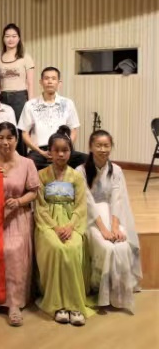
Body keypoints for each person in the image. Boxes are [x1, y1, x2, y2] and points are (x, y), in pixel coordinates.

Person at [0, 122, 39, 327]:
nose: (5, 142)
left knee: (12, 250)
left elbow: (34, 191)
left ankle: (14, 304)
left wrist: (19, 201)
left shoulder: (27, 163)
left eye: (9, 138)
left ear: (16, 139)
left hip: (18, 216)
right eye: (1, 138)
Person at [34, 126, 94, 326]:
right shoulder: (41, 175)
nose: (60, 154)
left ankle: (75, 304)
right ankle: (57, 304)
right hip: (48, 223)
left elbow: (81, 206)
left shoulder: (76, 176)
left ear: (70, 152)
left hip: (71, 222)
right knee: (56, 247)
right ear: (49, 152)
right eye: (56, 150)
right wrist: (55, 227)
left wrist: (70, 226)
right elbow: (40, 207)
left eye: (65, 150)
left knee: (73, 247)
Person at [76, 130, 142, 312]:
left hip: (113, 216)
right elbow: (88, 202)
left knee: (122, 245)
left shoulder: (117, 170)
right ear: (90, 147)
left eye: (106, 145)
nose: (103, 149)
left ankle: (118, 294)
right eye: (98, 145)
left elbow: (117, 200)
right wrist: (104, 230)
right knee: (106, 247)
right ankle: (101, 292)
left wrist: (115, 228)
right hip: (91, 219)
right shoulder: (80, 171)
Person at [19, 67, 87, 170]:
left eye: (53, 78)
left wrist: (65, 149)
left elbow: (73, 130)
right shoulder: (30, 105)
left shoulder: (67, 103)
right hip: (40, 151)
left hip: (63, 149)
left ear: (59, 83)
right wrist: (40, 152)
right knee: (26, 165)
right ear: (41, 82)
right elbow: (24, 133)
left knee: (87, 160)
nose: (50, 81)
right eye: (46, 78)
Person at [0, 24, 34, 155]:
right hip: (2, 97)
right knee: (4, 129)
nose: (10, 39)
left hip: (20, 97)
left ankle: (21, 158)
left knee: (19, 130)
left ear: (19, 38)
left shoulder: (25, 57)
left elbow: (30, 83)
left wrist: (30, 104)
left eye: (14, 36)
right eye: (7, 36)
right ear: (3, 38)